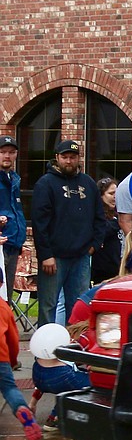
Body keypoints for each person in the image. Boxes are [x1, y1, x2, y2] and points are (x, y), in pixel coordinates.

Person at [31, 140, 105, 326]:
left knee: (78, 308)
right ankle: (43, 353)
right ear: (57, 158)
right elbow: (40, 224)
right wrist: (46, 255)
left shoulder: (88, 183)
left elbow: (99, 218)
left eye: (72, 157)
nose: (69, 161)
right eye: (64, 157)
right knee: (48, 307)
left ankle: (73, 350)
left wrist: (94, 245)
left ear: (78, 158)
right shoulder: (45, 184)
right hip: (54, 259)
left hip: (81, 257)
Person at [0, 300, 39, 440]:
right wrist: (12, 360)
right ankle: (22, 409)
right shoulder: (3, 307)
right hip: (1, 357)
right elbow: (13, 339)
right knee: (10, 389)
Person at [0, 135, 26, 306]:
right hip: (1, 244)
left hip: (12, 244)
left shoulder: (14, 179)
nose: (7, 156)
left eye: (11, 152)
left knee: (6, 296)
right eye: (3, 152)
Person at [90, 177, 122, 284]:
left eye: (116, 193)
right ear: (101, 195)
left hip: (119, 267)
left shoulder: (119, 213)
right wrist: (120, 222)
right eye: (111, 193)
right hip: (103, 270)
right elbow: (102, 230)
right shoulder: (97, 215)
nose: (115, 197)